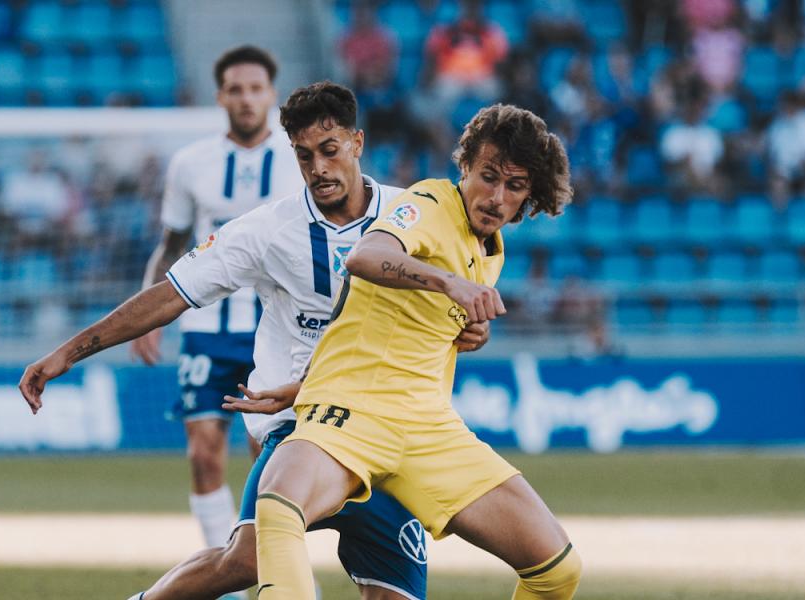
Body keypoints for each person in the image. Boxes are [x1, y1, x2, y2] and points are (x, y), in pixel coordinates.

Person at [18, 82, 488, 600]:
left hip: (387, 428)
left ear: (356, 143)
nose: (318, 168)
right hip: (299, 424)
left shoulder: (412, 213)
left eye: (329, 151)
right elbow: (170, 295)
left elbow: (453, 303)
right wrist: (68, 352)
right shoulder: (267, 230)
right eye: (304, 156)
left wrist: (470, 328)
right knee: (248, 557)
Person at [244, 104, 580, 599]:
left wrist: (467, 329)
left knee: (556, 568)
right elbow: (366, 256)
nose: (495, 196)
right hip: (354, 412)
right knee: (278, 506)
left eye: (514, 186)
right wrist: (450, 285)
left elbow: (396, 327)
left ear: (530, 196)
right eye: (487, 176)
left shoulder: (491, 250)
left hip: (427, 427)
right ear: (465, 166)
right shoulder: (429, 202)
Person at [128, 45, 305, 561]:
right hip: (206, 326)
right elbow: (171, 243)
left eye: (256, 89)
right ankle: (224, 573)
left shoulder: (299, 161)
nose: (247, 99)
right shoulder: (190, 164)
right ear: (220, 96)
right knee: (204, 453)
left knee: (266, 459)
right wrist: (148, 315)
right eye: (236, 89)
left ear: (272, 95)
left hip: (275, 333)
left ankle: (280, 568)